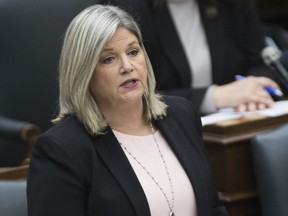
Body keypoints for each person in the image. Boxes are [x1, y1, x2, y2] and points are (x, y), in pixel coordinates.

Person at [27, 4, 227, 216]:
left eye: (133, 52)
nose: (127, 66)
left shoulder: (182, 115)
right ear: (83, 73)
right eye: (109, 59)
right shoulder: (61, 150)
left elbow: (211, 206)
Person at [99, 0, 285, 114]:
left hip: (236, 121)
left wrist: (255, 90)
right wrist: (214, 97)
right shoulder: (129, 8)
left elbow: (262, 60)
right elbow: (131, 92)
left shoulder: (232, 3)